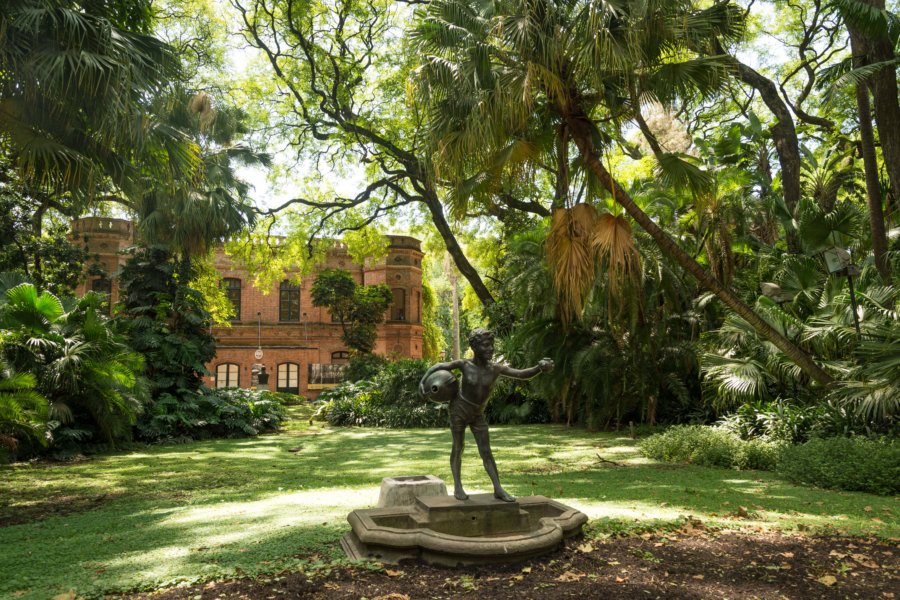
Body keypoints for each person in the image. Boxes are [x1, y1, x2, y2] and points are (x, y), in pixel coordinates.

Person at [419, 329, 553, 502]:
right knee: (458, 447)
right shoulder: (464, 365)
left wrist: (539, 368)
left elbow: (521, 374)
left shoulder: (495, 368)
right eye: (485, 345)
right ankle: (458, 486)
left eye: (492, 345)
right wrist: (422, 384)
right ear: (475, 347)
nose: (490, 349)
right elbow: (438, 366)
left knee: (486, 451)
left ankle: (498, 488)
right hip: (459, 410)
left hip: (477, 413)